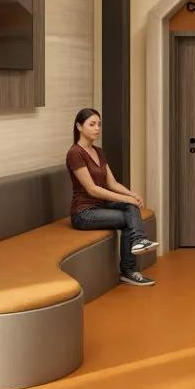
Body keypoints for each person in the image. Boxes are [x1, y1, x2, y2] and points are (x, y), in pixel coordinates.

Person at [67, 108, 158, 287]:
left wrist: (133, 195)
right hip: (83, 212)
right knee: (128, 216)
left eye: (99, 124)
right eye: (92, 124)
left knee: (131, 208)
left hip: (100, 207)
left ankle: (139, 243)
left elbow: (112, 183)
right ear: (79, 126)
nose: (97, 128)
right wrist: (126, 199)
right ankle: (129, 270)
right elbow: (92, 189)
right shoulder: (75, 153)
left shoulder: (98, 151)